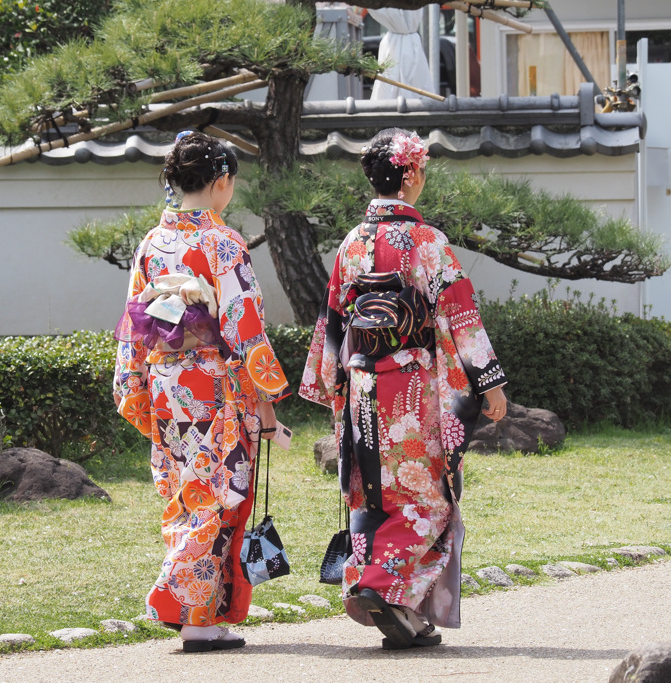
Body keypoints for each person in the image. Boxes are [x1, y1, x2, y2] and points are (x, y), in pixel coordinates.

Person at [299, 127, 507, 650]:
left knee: (375, 496)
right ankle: (380, 584)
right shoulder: (426, 241)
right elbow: (460, 312)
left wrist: (331, 387)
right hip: (413, 390)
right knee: (429, 498)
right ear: (410, 173)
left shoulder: (352, 243)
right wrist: (488, 384)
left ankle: (406, 616)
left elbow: (333, 322)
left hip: (364, 387)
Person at [113, 131, 290, 652]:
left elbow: (133, 326)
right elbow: (245, 327)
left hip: (167, 386)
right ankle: (181, 603)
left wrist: (134, 385)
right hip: (213, 385)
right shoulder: (223, 244)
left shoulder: (151, 243)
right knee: (217, 495)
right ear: (220, 183)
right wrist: (266, 408)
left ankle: (201, 617)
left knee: (184, 498)